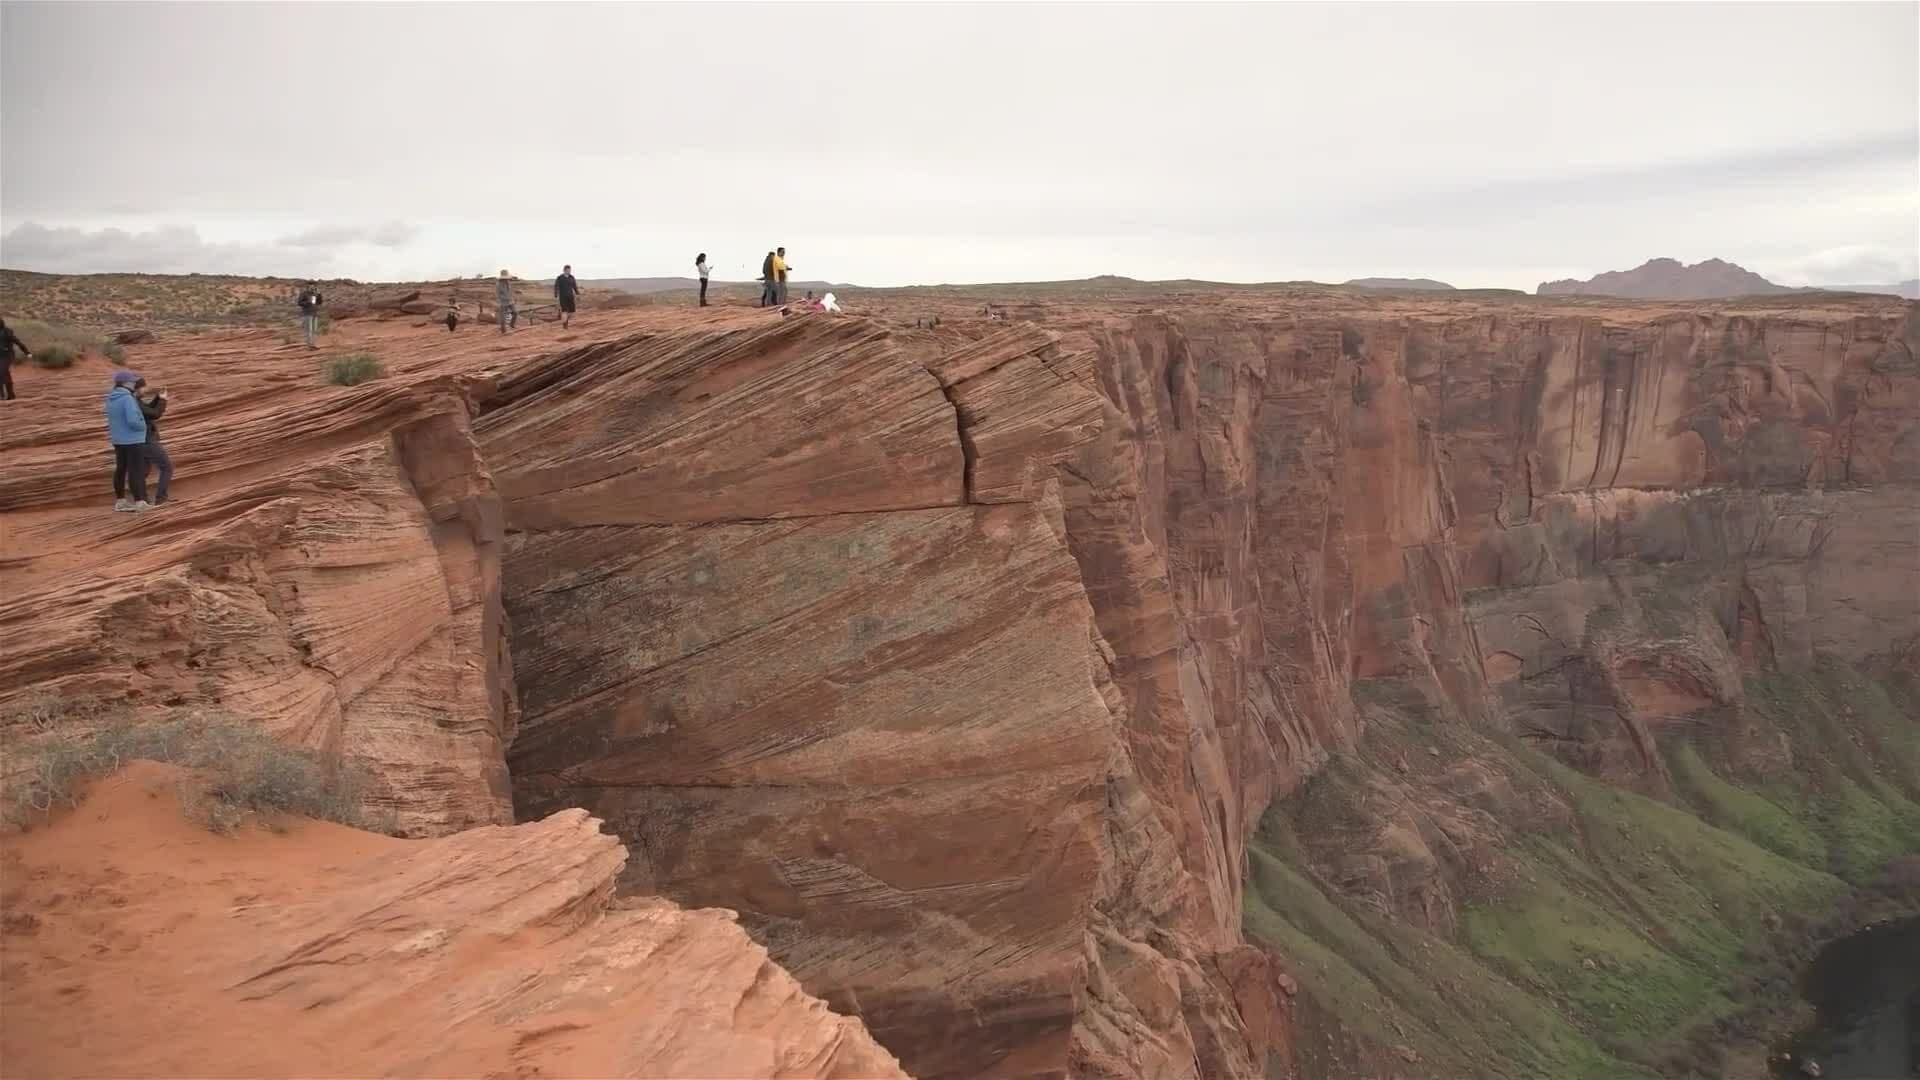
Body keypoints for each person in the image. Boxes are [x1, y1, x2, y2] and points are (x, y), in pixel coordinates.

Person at [104, 370, 152, 512]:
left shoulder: (111, 397)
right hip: (133, 439)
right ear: (125, 383)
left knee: (121, 469)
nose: (134, 383)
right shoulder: (127, 398)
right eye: (132, 381)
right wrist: (142, 425)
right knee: (135, 471)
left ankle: (120, 501)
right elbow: (132, 420)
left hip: (118, 439)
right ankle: (140, 503)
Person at [134, 377, 173, 505]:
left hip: (140, 441)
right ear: (137, 388)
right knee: (166, 467)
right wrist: (162, 400)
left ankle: (142, 500)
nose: (145, 389)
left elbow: (148, 410)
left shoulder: (134, 401)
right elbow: (154, 414)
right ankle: (161, 498)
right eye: (143, 387)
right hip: (147, 440)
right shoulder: (135, 402)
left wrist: (157, 398)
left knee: (143, 472)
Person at [0, 317, 31, 400]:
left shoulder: (7, 332)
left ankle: (3, 395)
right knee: (5, 374)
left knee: (1, 372)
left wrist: (27, 352)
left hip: (7, 355)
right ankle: (10, 395)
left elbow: (17, 342)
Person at [297, 282, 324, 349]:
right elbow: (299, 303)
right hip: (307, 314)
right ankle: (309, 346)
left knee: (314, 330)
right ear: (308, 286)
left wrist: (319, 294)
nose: (312, 287)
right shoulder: (303, 293)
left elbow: (319, 302)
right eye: (311, 286)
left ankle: (313, 345)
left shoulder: (314, 294)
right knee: (308, 330)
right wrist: (308, 302)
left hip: (314, 314)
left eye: (313, 286)